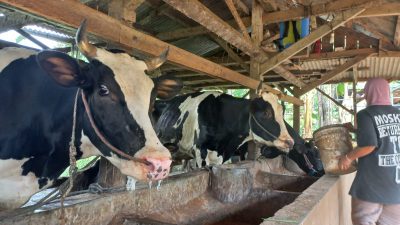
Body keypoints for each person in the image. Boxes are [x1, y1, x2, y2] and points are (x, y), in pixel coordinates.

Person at [338, 78, 400, 225]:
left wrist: (347, 157)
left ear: (369, 93)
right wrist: (354, 130)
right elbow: (385, 134)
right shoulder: (398, 114)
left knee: (363, 220)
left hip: (372, 184)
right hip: (396, 186)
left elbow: (369, 145)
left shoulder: (366, 114)